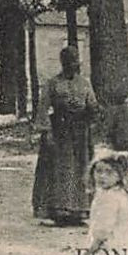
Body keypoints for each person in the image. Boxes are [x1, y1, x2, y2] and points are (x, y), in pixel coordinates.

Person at [38, 148, 128, 255]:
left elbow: (103, 231)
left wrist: (89, 250)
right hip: (123, 249)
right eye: (98, 171)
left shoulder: (109, 199)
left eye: (109, 172)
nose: (102, 176)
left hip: (110, 248)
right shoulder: (119, 194)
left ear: (119, 175)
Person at [32, 47, 100, 226]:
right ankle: (59, 209)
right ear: (62, 63)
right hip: (60, 130)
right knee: (61, 169)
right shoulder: (53, 83)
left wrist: (91, 117)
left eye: (74, 61)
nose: (71, 65)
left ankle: (79, 210)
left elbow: (92, 105)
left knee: (80, 168)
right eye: (68, 62)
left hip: (80, 132)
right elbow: (43, 107)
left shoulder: (85, 84)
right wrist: (46, 131)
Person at [106, 91, 128, 168]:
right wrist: (109, 140)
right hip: (118, 141)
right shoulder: (117, 115)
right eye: (127, 104)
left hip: (127, 141)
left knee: (126, 159)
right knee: (119, 159)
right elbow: (111, 128)